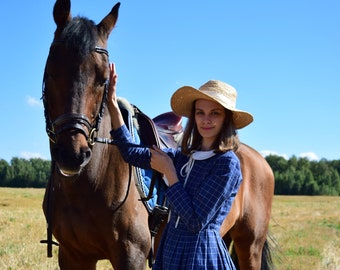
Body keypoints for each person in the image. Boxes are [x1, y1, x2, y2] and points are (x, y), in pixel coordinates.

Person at [107, 63, 253, 270]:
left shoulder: (226, 164)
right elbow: (130, 152)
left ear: (226, 118)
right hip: (170, 248)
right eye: (200, 112)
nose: (206, 120)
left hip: (200, 254)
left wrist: (169, 172)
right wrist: (113, 104)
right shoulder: (182, 157)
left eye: (215, 113)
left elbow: (195, 222)